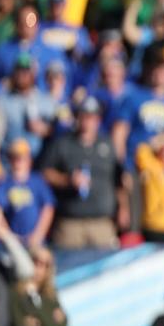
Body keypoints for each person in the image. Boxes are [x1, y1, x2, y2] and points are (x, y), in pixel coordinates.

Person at [39, 96, 122, 249]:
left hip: (101, 222)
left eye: (92, 117)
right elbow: (45, 173)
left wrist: (123, 209)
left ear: (98, 120)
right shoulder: (62, 143)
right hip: (70, 223)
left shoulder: (108, 145)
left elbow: (118, 180)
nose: (87, 121)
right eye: (83, 116)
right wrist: (66, 180)